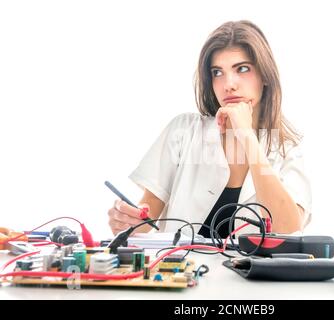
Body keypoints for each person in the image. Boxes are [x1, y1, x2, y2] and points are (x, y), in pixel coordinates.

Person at [108, 20, 312, 237]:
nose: (228, 84)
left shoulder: (287, 150)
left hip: (250, 272)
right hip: (182, 269)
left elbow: (289, 229)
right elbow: (145, 220)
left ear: (265, 76)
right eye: (217, 72)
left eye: (242, 69)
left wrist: (247, 138)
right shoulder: (184, 131)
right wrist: (126, 222)